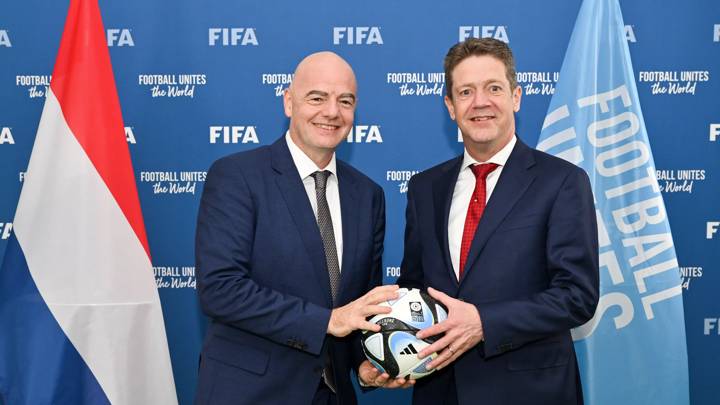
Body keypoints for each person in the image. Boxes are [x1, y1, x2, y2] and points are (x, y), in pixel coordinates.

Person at [195, 51, 410, 405]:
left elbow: (359, 304)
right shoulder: (237, 176)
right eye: (317, 97)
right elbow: (220, 289)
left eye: (345, 101)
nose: (331, 112)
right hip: (250, 393)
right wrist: (326, 321)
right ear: (288, 102)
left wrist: (364, 363)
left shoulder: (368, 195)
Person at [398, 38, 599, 405]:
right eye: (465, 92)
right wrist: (388, 351)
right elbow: (414, 290)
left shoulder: (562, 182)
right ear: (450, 106)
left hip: (530, 393)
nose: (480, 103)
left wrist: (484, 323)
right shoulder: (424, 188)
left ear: (516, 97)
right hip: (441, 392)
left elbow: (577, 296)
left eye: (493, 88)